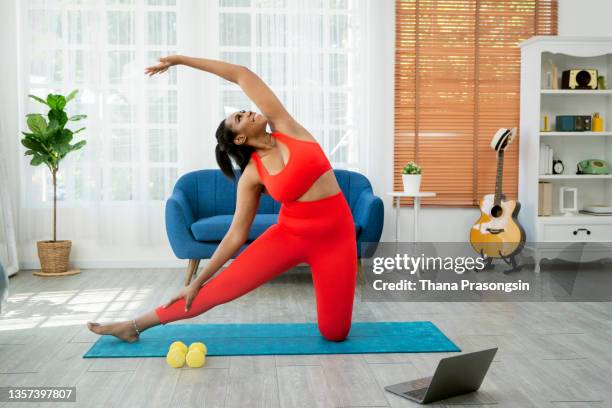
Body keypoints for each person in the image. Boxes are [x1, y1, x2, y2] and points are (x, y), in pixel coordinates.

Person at [87, 55, 357, 343]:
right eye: (240, 118)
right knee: (219, 289)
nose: (249, 113)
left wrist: (180, 60)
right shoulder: (252, 175)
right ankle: (134, 326)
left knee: (335, 333)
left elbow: (240, 74)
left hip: (337, 238)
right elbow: (235, 236)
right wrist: (197, 281)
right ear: (240, 139)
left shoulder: (286, 126)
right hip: (290, 236)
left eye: (244, 111)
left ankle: (137, 323)